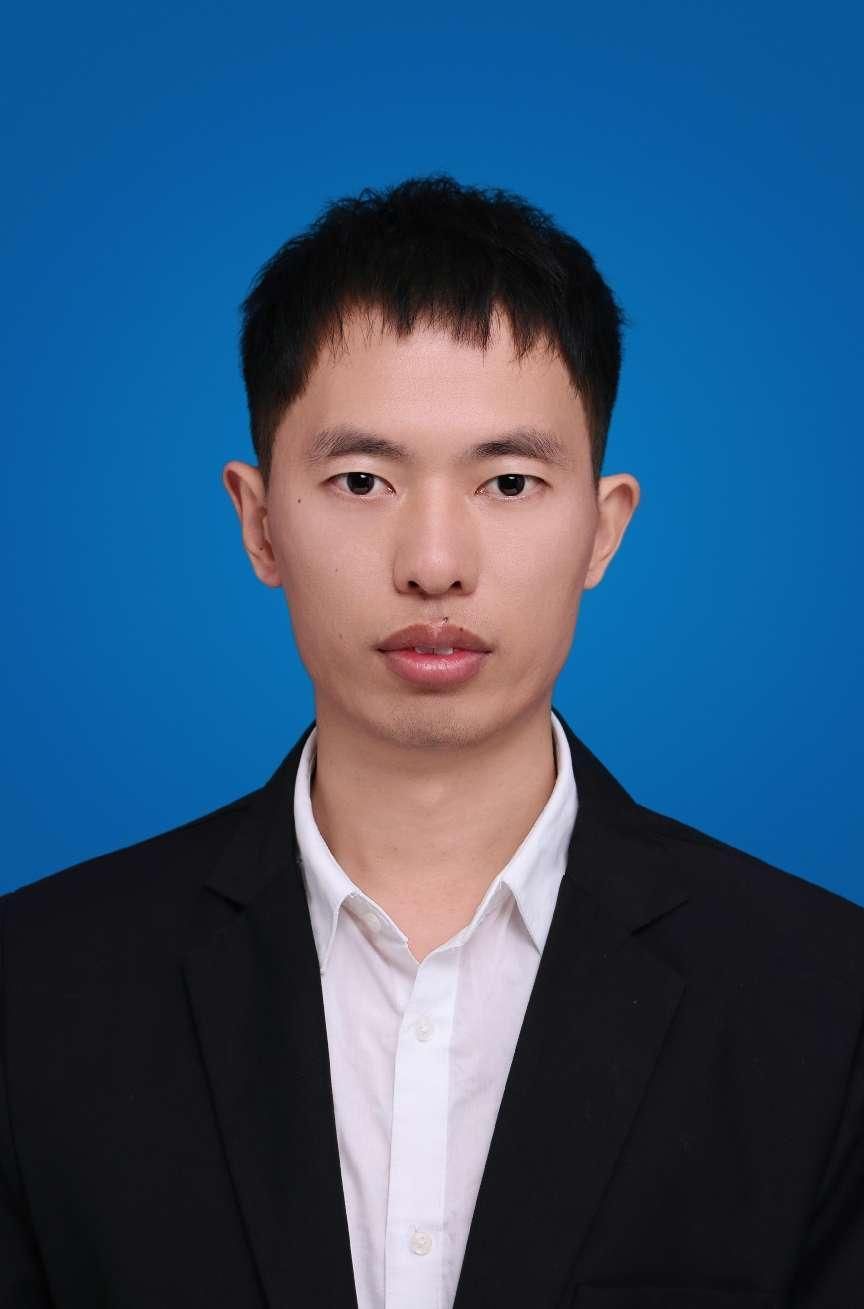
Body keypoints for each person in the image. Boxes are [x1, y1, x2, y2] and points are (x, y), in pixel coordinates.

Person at [2, 175, 862, 1309]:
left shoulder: (826, 1001)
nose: (436, 563)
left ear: (602, 529)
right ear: (260, 522)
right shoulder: (35, 989)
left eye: (509, 481)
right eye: (363, 480)